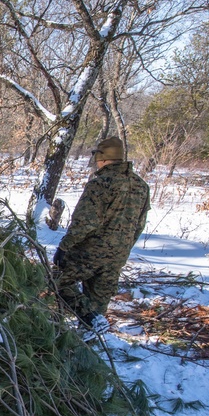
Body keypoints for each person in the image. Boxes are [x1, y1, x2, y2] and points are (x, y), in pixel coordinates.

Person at [53, 136, 150, 335]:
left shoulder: (100, 183)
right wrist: (124, 247)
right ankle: (91, 334)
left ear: (103, 159)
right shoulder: (141, 186)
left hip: (90, 251)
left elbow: (85, 221)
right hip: (118, 254)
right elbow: (140, 224)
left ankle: (90, 318)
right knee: (99, 295)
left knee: (57, 281)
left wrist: (65, 246)